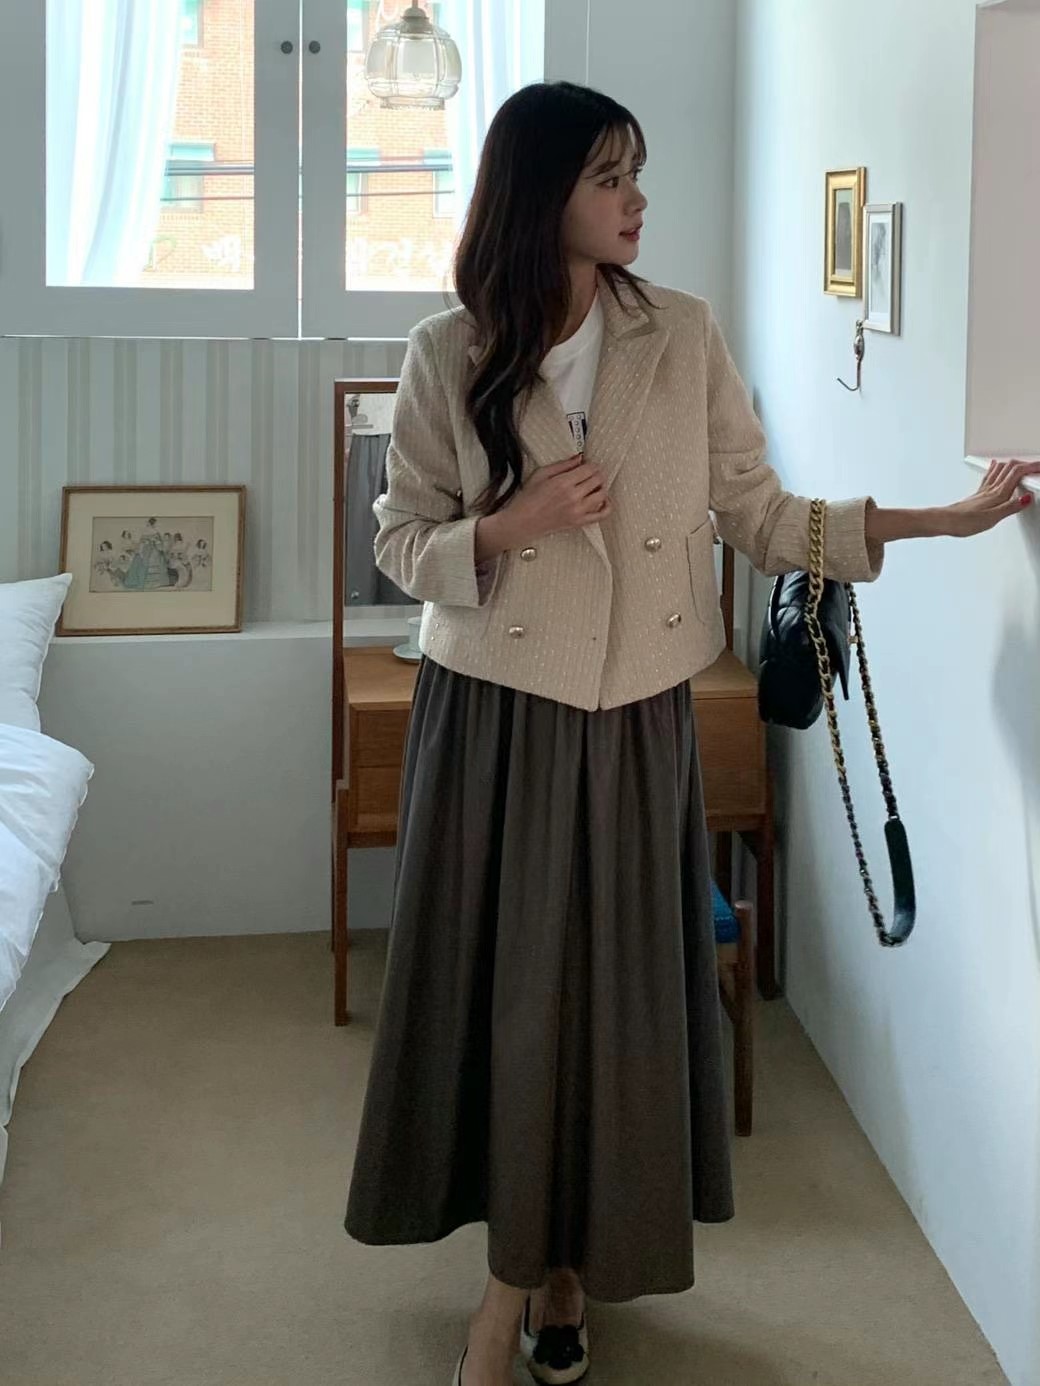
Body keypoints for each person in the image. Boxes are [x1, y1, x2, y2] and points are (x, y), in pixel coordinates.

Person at [343, 81, 1038, 1386]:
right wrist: (510, 526)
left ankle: (567, 1273)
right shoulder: (449, 348)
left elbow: (760, 515)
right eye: (610, 177)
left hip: (635, 717)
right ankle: (507, 1286)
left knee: (614, 1006)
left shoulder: (682, 333)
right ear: (540, 193)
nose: (637, 200)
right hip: (496, 712)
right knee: (510, 1001)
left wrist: (939, 520)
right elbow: (399, 537)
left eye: (637, 174)